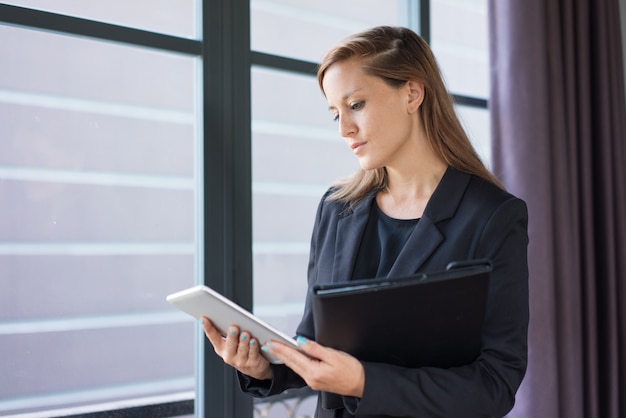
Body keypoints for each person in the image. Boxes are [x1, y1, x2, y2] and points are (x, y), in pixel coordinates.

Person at [202, 25, 529, 418]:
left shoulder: (492, 216)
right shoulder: (337, 208)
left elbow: (493, 386)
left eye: (356, 105)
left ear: (412, 93)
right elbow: (317, 342)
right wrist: (265, 367)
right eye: (335, 113)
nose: (344, 129)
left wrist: (362, 382)